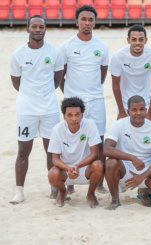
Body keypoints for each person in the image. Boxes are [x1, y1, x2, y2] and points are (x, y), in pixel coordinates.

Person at [9, 15, 64, 204]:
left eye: (42, 26)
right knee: (23, 151)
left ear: (45, 29)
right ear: (27, 29)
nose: (38, 29)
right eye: (34, 26)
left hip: (49, 109)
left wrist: (44, 94)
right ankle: (19, 191)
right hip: (26, 110)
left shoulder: (54, 52)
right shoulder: (18, 55)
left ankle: (54, 188)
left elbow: (57, 79)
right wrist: (30, 95)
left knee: (52, 151)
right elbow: (16, 83)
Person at [60, 5, 109, 193]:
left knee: (98, 141)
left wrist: (92, 90)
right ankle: (70, 181)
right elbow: (61, 76)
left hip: (96, 100)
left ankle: (99, 183)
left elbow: (102, 75)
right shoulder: (67, 46)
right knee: (71, 141)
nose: (87, 23)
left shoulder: (102, 47)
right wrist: (71, 96)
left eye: (90, 19)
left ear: (94, 23)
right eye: (84, 19)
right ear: (77, 21)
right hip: (74, 102)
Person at [104, 96, 151, 210]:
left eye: (142, 109)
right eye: (134, 110)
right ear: (128, 111)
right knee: (110, 163)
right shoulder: (118, 125)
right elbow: (106, 149)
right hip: (125, 170)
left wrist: (141, 176)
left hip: (147, 171)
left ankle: (145, 191)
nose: (138, 113)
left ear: (146, 110)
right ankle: (115, 200)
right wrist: (132, 158)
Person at [48, 97, 104, 208]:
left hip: (85, 168)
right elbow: (55, 159)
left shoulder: (90, 124)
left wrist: (78, 166)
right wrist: (68, 168)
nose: (74, 118)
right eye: (70, 115)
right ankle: (63, 192)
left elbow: (95, 154)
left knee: (99, 165)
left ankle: (90, 194)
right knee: (52, 174)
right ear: (64, 116)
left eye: (77, 114)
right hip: (66, 171)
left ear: (82, 115)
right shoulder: (57, 130)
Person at [110, 24, 151, 122]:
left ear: (146, 40)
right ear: (128, 40)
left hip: (147, 104)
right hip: (125, 103)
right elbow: (115, 84)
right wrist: (121, 111)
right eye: (134, 39)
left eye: (141, 39)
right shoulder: (118, 56)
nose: (137, 43)